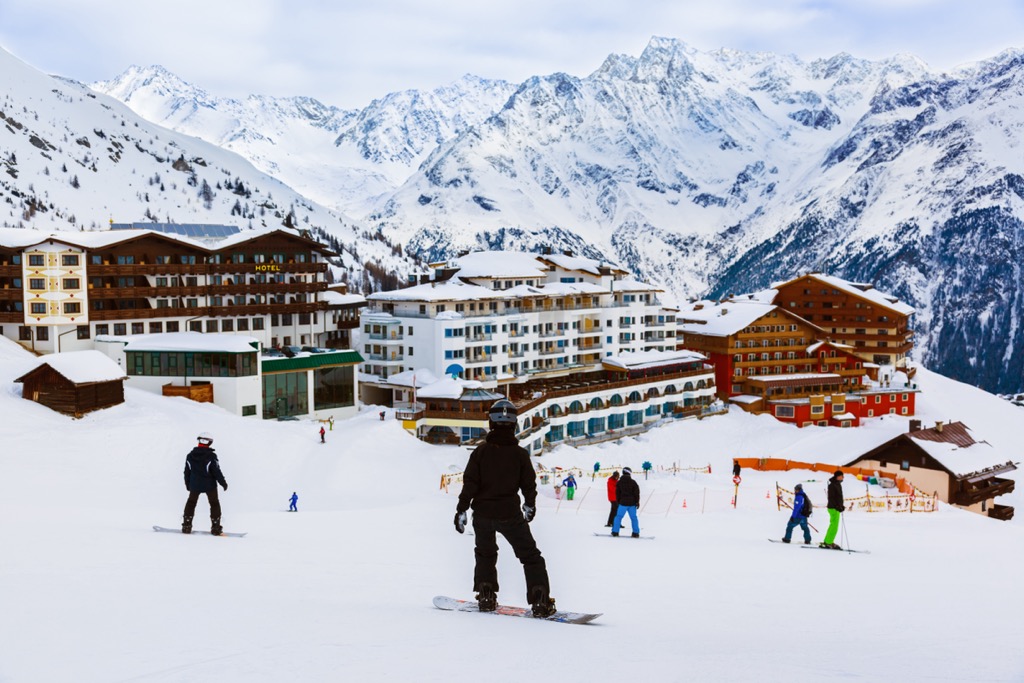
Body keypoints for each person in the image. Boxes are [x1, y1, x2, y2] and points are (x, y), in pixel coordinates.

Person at [454, 399, 556, 618]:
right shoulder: (519, 455)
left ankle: (486, 593)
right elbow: (529, 484)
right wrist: (529, 504)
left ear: (491, 423)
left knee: (485, 554)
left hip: (482, 515)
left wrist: (461, 510)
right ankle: (539, 599)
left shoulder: (480, 453)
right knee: (530, 557)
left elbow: (470, 483)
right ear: (514, 425)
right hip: (509, 514)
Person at [182, 432, 228, 535]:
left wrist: (188, 484)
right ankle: (216, 527)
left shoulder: (190, 455)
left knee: (191, 503)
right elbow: (216, 471)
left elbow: (187, 471)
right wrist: (223, 483)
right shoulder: (211, 456)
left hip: (195, 485)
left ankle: (186, 526)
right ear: (210, 443)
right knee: (214, 503)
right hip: (209, 485)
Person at [611, 467, 641, 537]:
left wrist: (618, 501)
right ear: (629, 473)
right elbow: (637, 493)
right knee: (634, 518)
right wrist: (637, 502)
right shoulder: (633, 482)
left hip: (623, 503)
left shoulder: (619, 482)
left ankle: (615, 532)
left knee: (618, 517)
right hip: (632, 504)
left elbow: (617, 493)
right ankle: (635, 533)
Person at [821, 470, 845, 549]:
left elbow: (838, 497)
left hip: (836, 507)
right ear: (838, 476)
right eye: (842, 476)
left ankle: (828, 540)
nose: (843, 477)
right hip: (833, 508)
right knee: (834, 526)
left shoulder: (837, 484)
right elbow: (831, 498)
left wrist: (841, 506)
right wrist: (837, 506)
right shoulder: (832, 485)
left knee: (833, 525)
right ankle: (828, 542)